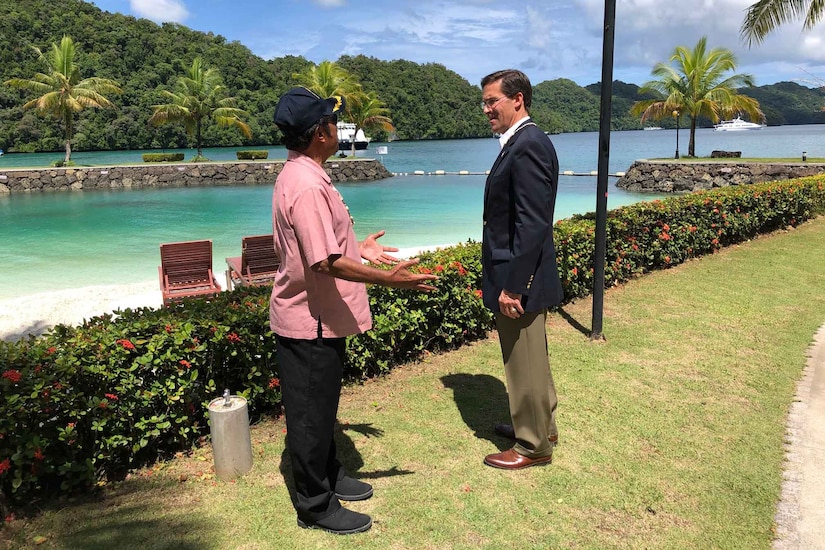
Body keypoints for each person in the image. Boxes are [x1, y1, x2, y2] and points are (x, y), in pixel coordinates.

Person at [270, 87, 437, 535]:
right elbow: (322, 261)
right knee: (309, 416)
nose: (337, 128)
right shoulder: (305, 184)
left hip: (320, 316)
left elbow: (326, 245)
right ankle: (315, 504)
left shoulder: (308, 173)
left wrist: (360, 249)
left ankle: (329, 473)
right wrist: (389, 279)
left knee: (322, 409)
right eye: (332, 121)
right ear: (320, 132)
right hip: (309, 321)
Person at [479, 69, 564, 470]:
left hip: (519, 275)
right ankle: (540, 425)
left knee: (523, 356)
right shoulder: (520, 142)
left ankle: (533, 446)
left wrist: (514, 286)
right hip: (521, 269)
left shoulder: (527, 144)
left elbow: (532, 223)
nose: (486, 109)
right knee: (531, 356)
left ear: (518, 100)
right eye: (484, 102)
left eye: (492, 100)